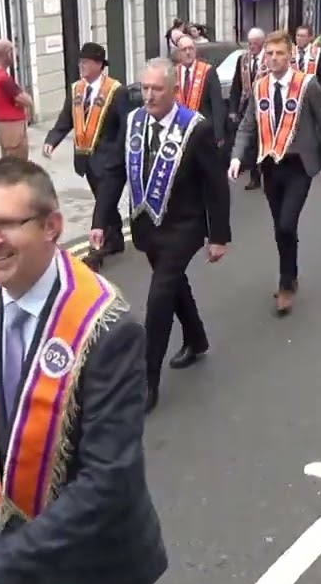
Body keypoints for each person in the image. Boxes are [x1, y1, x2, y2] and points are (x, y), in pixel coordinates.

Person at [0, 158, 167, 584]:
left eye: (7, 224)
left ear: (52, 226)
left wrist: (2, 564)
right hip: (17, 557)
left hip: (94, 573)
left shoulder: (108, 327)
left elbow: (108, 480)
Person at [93, 58, 231, 413]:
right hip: (147, 226)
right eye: (145, 88)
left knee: (158, 298)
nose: (149, 96)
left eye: (157, 89)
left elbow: (215, 185)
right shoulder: (134, 121)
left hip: (184, 226)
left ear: (174, 91)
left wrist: (219, 235)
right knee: (172, 285)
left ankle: (146, 379)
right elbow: (114, 172)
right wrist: (100, 219)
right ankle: (196, 338)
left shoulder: (195, 129)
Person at [229, 30, 321, 315]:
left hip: (299, 165)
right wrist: (237, 157)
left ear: (290, 55)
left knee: (288, 223)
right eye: (270, 53)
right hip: (270, 165)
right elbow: (247, 125)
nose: (274, 58)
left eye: (279, 53)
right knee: (281, 227)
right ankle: (291, 272)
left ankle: (285, 284)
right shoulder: (259, 86)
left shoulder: (307, 85)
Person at [42, 42, 129, 270]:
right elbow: (65, 120)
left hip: (112, 162)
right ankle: (116, 239)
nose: (81, 66)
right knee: (106, 202)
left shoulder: (116, 91)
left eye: (86, 62)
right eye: (80, 62)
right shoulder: (77, 91)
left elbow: (125, 128)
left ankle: (95, 253)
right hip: (87, 161)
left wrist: (119, 156)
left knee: (101, 207)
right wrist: (52, 140)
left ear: (99, 65)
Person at [227, 27, 268, 190]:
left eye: (255, 43)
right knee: (250, 144)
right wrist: (233, 109)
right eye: (250, 43)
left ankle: (267, 173)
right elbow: (236, 85)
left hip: (265, 107)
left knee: (264, 143)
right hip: (247, 107)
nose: (252, 47)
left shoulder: (269, 59)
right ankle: (254, 177)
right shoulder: (243, 59)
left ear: (262, 43)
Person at [0, 39, 34, 160]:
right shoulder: (3, 79)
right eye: (13, 52)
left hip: (2, 126)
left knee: (8, 164)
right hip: (13, 129)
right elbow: (26, 100)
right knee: (18, 166)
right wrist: (29, 101)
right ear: (8, 54)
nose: (15, 55)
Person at [173, 35, 226, 146]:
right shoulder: (173, 73)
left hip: (204, 132)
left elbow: (217, 105)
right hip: (179, 132)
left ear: (195, 50)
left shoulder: (208, 71)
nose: (188, 52)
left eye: (191, 48)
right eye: (184, 49)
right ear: (178, 53)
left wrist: (219, 135)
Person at [293, 25, 321, 95]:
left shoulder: (319, 54)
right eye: (298, 35)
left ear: (310, 37)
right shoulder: (289, 53)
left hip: (312, 95)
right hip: (293, 94)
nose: (299, 38)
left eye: (303, 36)